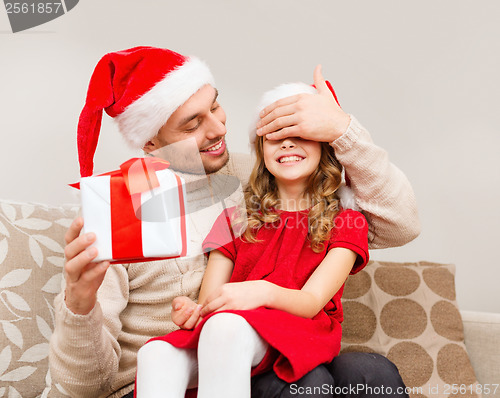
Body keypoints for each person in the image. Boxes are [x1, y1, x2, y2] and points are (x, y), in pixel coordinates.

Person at [49, 46, 418, 398]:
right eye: (193, 123)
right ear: (151, 143)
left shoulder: (255, 179)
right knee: (309, 382)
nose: (218, 129)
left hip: (260, 344)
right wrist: (80, 304)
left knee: (372, 376)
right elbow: (80, 388)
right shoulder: (117, 211)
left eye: (215, 107)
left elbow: (400, 224)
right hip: (171, 369)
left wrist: (342, 130)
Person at [135, 80, 372, 398]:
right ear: (262, 150)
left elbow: (311, 302)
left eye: (300, 136)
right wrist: (193, 311)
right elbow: (211, 302)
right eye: (275, 138)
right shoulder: (235, 218)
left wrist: (261, 292)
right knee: (155, 353)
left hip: (299, 329)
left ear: (324, 147)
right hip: (231, 329)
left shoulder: (347, 221)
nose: (287, 145)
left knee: (225, 327)